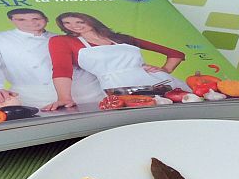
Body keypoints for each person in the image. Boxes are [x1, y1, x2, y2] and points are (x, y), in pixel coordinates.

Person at [44, 12, 188, 111]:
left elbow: (176, 54)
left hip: (161, 83)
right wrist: (64, 98)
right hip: (120, 88)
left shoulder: (121, 38)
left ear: (91, 22)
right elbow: (62, 68)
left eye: (80, 21)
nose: (74, 26)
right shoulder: (62, 41)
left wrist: (165, 70)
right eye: (67, 23)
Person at [0, 8, 103, 109]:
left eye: (36, 18)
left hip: (91, 94)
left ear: (46, 20)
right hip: (36, 101)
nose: (30, 23)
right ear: (11, 20)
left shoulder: (66, 38)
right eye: (21, 19)